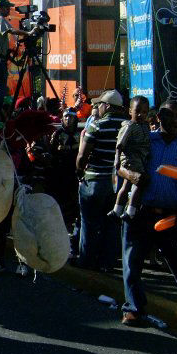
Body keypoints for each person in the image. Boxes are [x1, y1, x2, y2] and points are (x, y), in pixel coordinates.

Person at [118, 100, 177, 326]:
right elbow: (121, 165)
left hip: (171, 216)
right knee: (132, 262)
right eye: (170, 116)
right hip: (141, 212)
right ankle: (133, 308)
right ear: (160, 118)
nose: (175, 121)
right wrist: (132, 177)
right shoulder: (146, 140)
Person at [75, 89, 124, 270]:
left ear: (108, 106)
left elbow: (82, 156)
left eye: (100, 104)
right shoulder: (127, 126)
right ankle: (107, 262)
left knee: (88, 222)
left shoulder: (97, 125)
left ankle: (86, 261)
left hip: (94, 180)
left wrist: (79, 173)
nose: (98, 107)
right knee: (110, 224)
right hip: (117, 183)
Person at [0, 0, 35, 122]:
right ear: (0, 8)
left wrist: (14, 60)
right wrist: (29, 33)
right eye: (7, 8)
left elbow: (2, 47)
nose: (9, 10)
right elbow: (11, 30)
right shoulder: (0, 19)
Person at [108, 96, 150, 222]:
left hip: (140, 158)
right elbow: (120, 144)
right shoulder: (130, 126)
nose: (141, 115)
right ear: (130, 111)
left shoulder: (144, 126)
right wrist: (117, 160)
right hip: (132, 158)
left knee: (126, 185)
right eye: (137, 111)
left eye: (144, 112)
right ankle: (130, 211)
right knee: (138, 183)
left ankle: (117, 210)